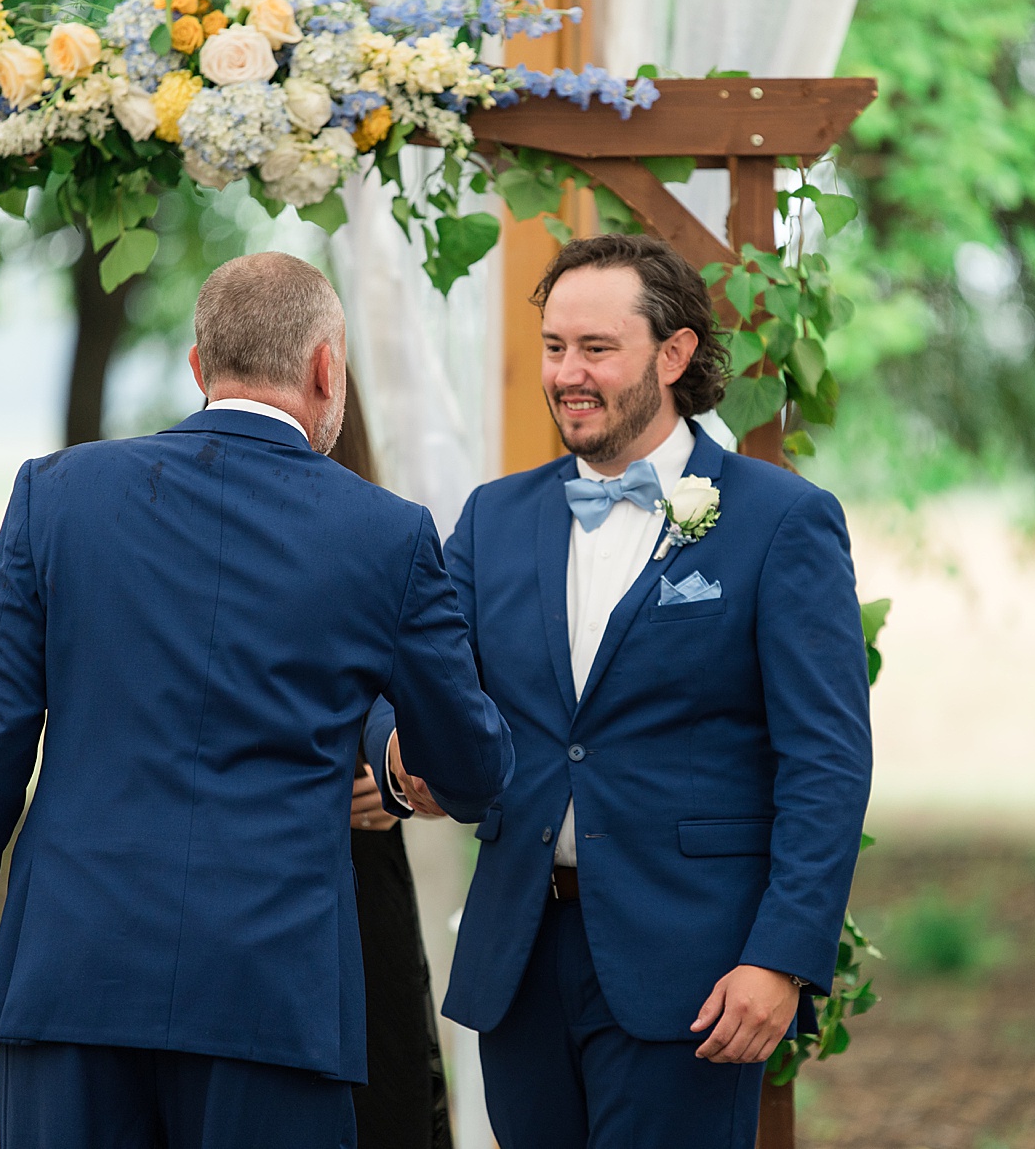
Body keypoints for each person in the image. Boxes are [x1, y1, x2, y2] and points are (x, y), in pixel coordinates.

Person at [0, 253, 514, 1149]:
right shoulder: (387, 531)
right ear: (326, 369)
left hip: (75, 976)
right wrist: (415, 778)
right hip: (271, 992)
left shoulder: (55, 495)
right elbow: (475, 768)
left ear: (197, 367)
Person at [370, 234, 872, 1147]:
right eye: (555, 347)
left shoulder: (780, 521)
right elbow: (402, 676)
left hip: (697, 971)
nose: (568, 372)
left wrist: (780, 957)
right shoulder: (495, 515)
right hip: (520, 956)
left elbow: (827, 762)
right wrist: (401, 767)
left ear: (674, 355)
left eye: (596, 349)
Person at [329, 386, 453, 1149]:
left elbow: (410, 686)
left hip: (356, 866)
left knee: (377, 1092)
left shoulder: (381, 531)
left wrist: (387, 772)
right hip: (245, 863)